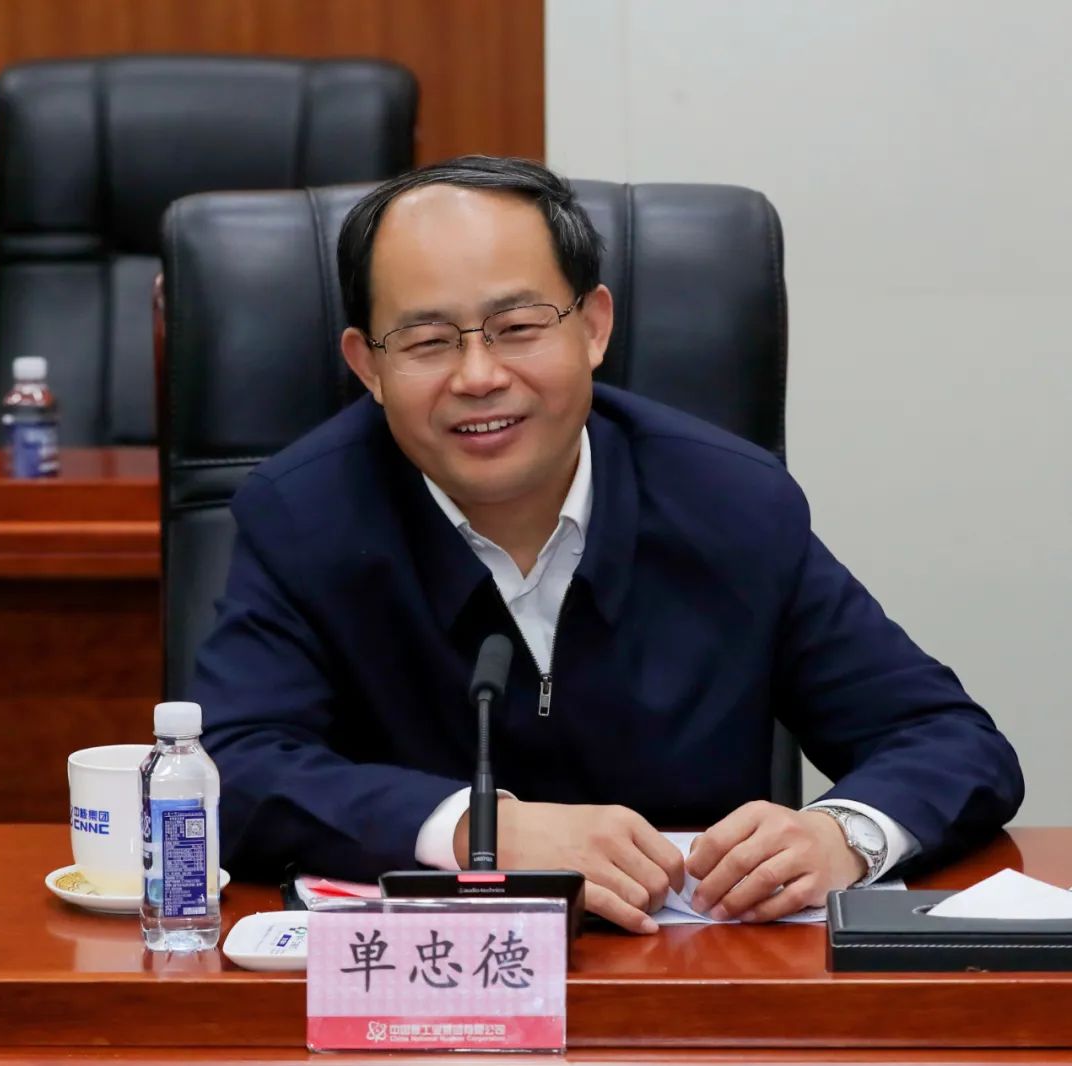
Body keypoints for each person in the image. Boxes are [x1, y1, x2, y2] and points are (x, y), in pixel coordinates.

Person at [193, 155, 1023, 934]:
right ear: (367, 366)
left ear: (593, 327)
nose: (478, 376)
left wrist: (842, 836)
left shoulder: (731, 502)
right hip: (424, 998)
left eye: (518, 326)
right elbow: (230, 769)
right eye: (428, 341)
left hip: (703, 983)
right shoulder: (305, 514)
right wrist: (476, 829)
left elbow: (947, 741)